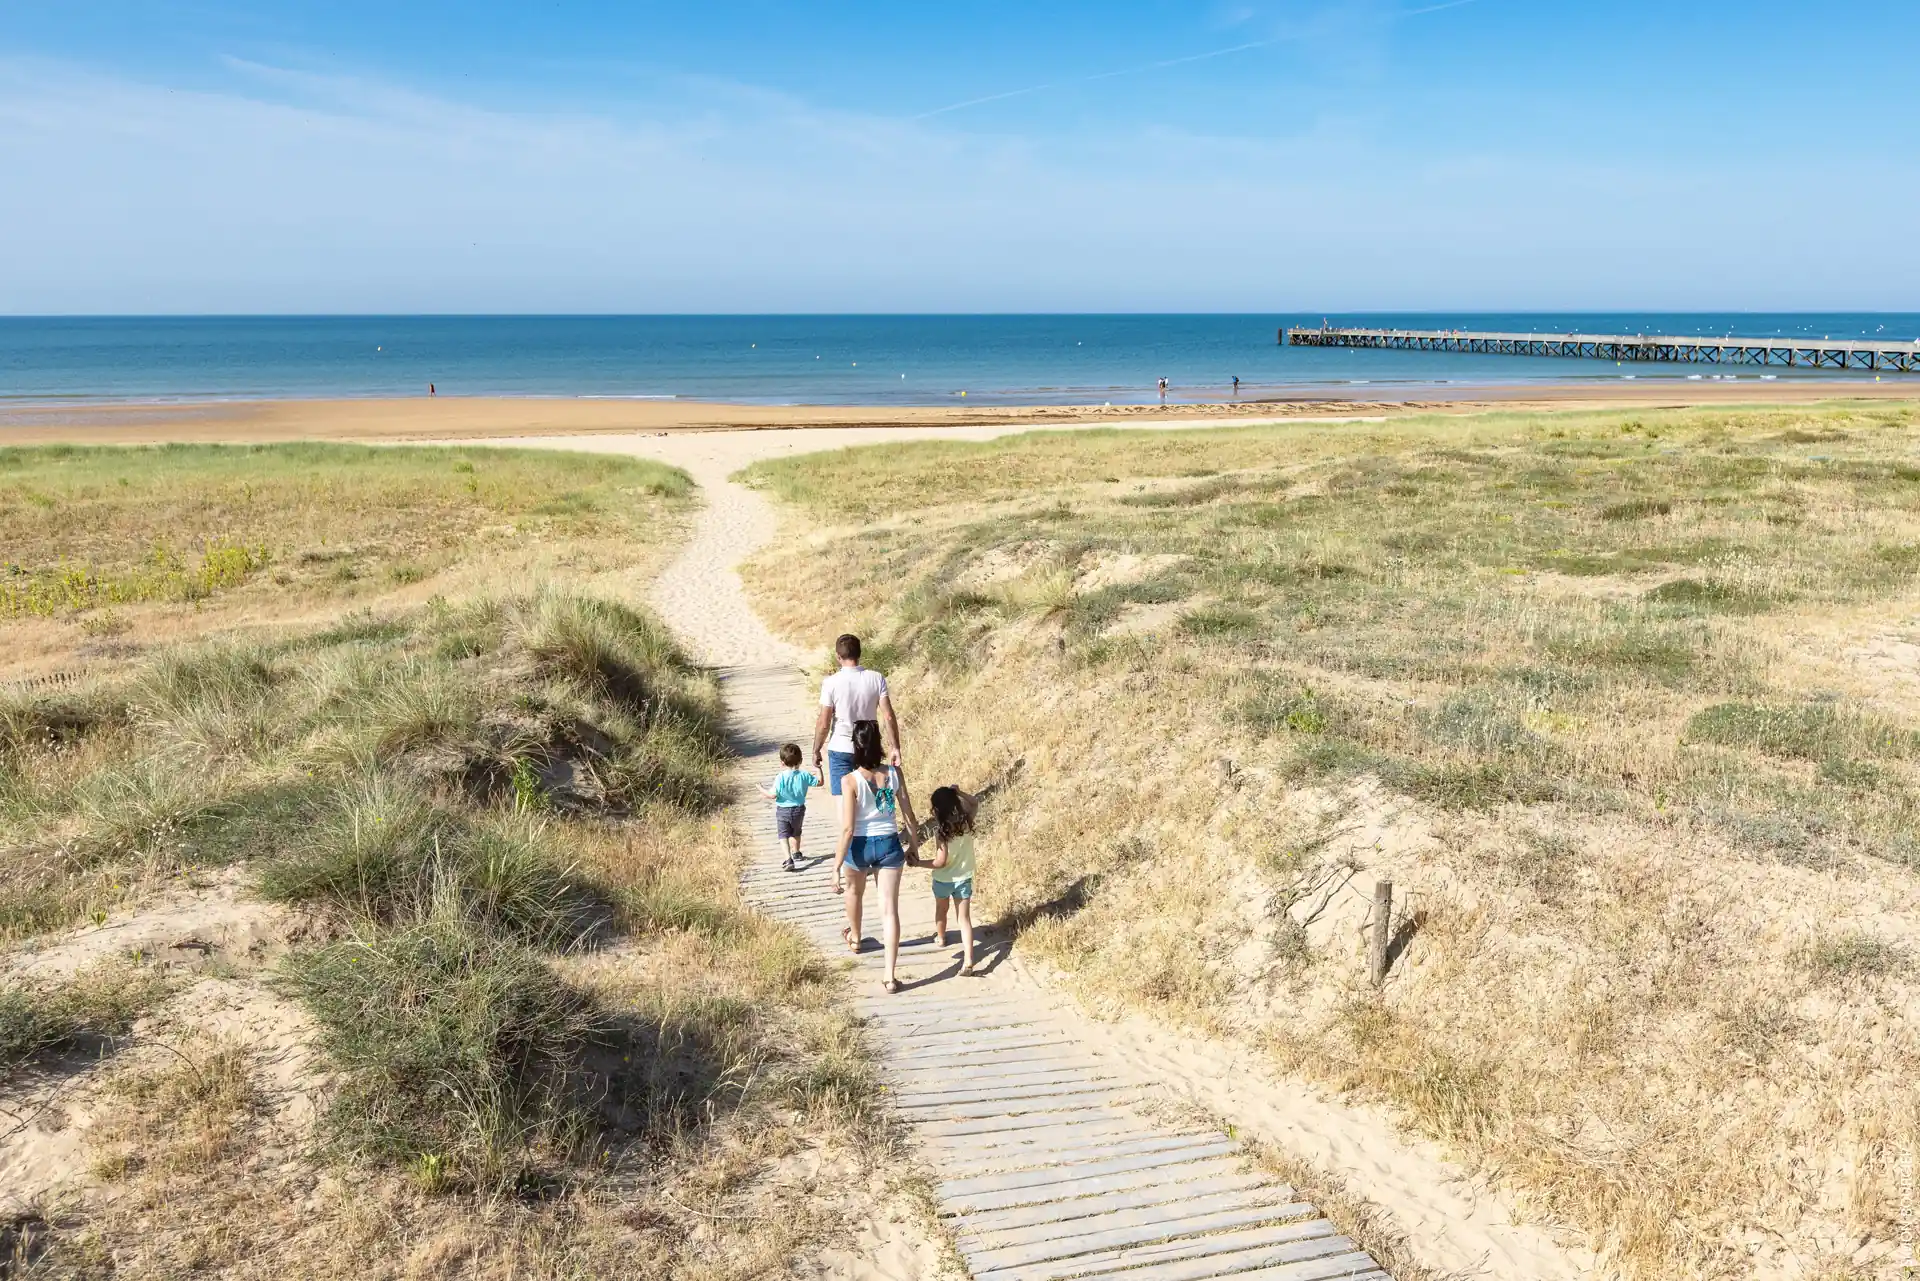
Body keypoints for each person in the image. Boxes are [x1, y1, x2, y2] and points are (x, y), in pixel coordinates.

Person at [836, 722, 921, 993]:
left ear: (855, 747)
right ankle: (889, 976)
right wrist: (914, 844)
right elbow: (908, 813)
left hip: (859, 846)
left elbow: (848, 828)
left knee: (854, 892)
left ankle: (857, 937)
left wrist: (835, 865)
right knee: (889, 911)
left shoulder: (850, 780)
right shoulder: (894, 773)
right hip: (888, 843)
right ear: (878, 743)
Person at [813, 634, 901, 803]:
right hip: (869, 747)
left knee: (843, 803)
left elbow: (824, 723)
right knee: (871, 801)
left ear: (838, 657)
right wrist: (895, 747)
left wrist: (816, 749)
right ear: (859, 654)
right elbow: (888, 716)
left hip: (841, 747)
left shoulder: (831, 682)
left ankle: (849, 830)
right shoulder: (876, 678)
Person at [927, 785, 981, 976]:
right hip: (963, 878)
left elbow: (940, 862)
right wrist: (960, 793)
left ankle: (941, 937)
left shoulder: (941, 832)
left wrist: (919, 863)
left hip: (943, 879)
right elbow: (975, 802)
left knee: (941, 910)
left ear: (937, 811)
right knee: (964, 919)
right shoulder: (965, 824)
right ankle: (968, 960)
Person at [757, 743, 817, 872]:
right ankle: (797, 852)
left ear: (782, 763)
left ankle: (788, 859)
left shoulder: (780, 777)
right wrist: (820, 770)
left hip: (783, 810)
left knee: (783, 836)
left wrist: (761, 789)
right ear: (801, 761)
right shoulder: (804, 775)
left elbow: (772, 795)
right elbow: (820, 782)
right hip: (799, 809)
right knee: (796, 832)